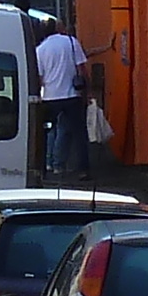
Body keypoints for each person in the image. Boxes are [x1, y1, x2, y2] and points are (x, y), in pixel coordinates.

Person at [33, 14, 93, 179]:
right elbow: (82, 69)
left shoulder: (40, 50)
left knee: (44, 134)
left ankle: (44, 168)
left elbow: (39, 78)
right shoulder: (72, 43)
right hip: (73, 95)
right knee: (79, 133)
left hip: (50, 97)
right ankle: (83, 169)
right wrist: (87, 91)